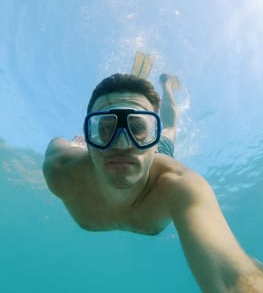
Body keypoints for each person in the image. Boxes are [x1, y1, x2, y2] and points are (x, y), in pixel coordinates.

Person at [43, 73, 263, 292]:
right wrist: (75, 148)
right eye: (105, 128)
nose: (121, 143)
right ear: (90, 140)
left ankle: (165, 85)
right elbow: (56, 144)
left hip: (154, 160)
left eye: (138, 128)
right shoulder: (61, 168)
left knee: (170, 127)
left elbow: (232, 280)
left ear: (154, 142)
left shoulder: (178, 185)